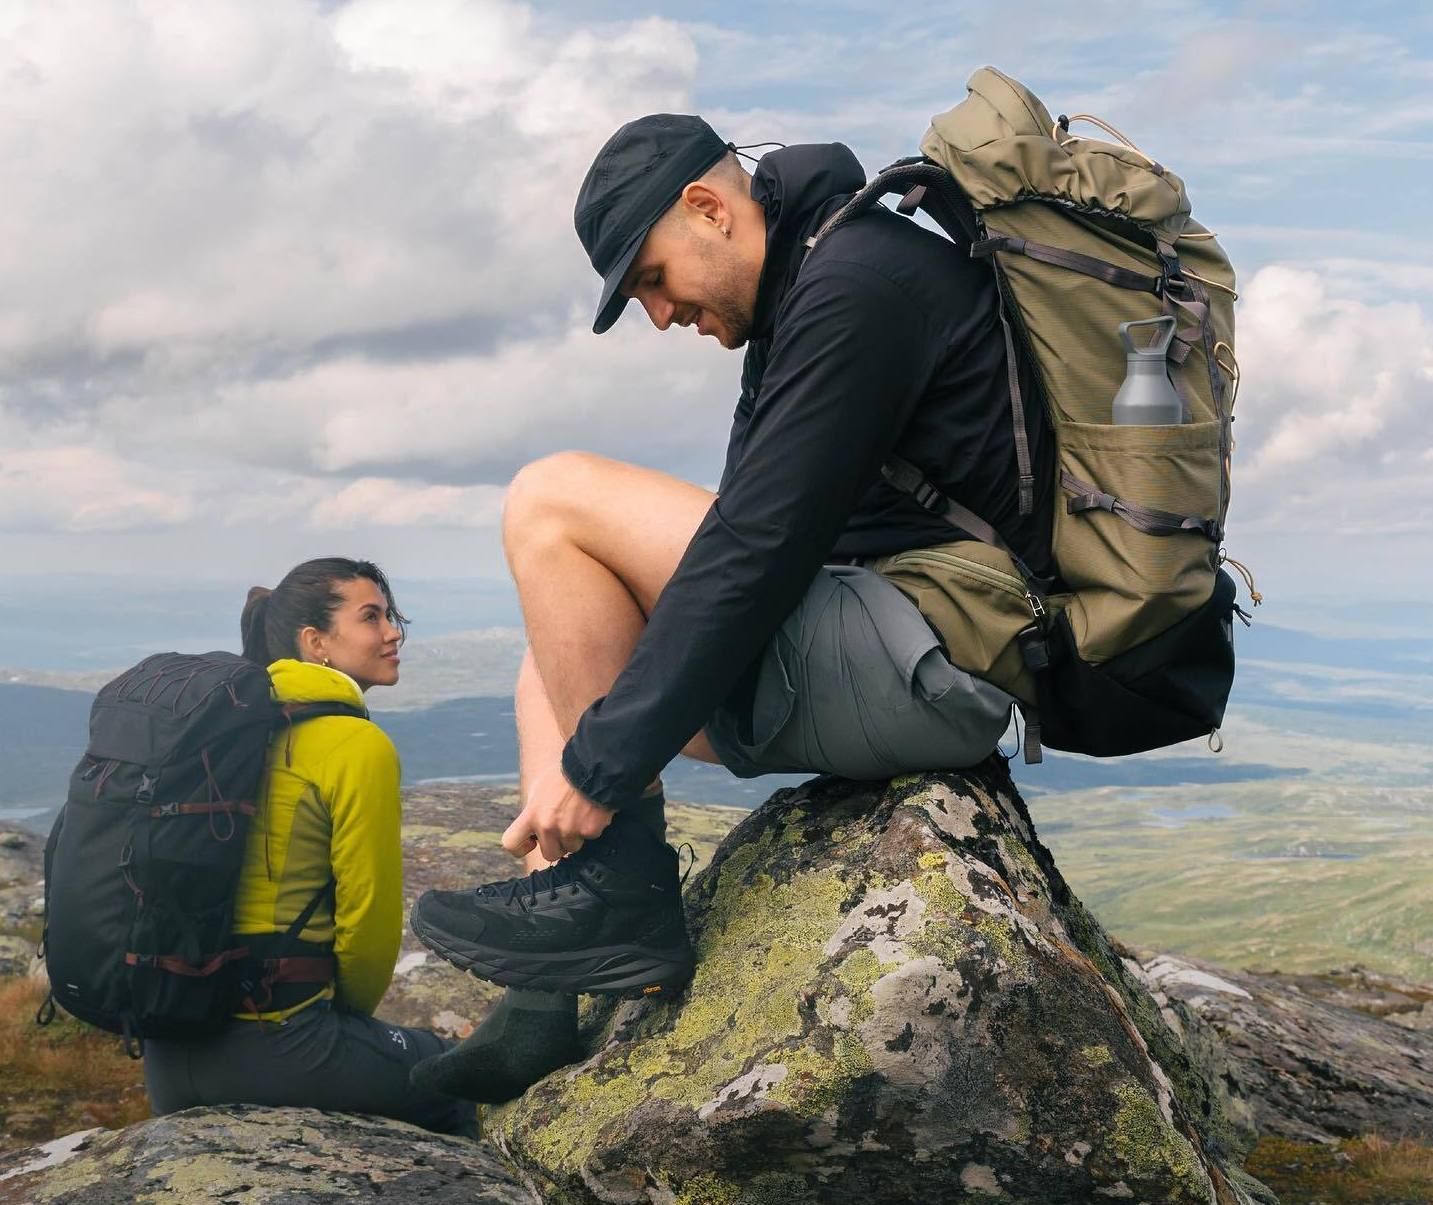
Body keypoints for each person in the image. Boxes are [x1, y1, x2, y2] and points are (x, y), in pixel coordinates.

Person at [409, 114, 1054, 1099]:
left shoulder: (856, 283)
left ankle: (618, 894)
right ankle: (546, 994)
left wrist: (599, 768)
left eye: (652, 280)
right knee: (560, 642)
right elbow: (746, 529)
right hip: (898, 636)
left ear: (708, 208)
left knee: (548, 498)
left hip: (939, 656)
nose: (660, 315)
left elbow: (755, 545)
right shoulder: (811, 279)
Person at [143, 557, 475, 1138]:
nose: (393, 633)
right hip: (282, 1045)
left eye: (390, 616)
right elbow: (367, 923)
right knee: (469, 1080)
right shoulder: (355, 744)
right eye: (371, 617)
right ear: (315, 642)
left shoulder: (225, 730)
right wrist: (349, 1027)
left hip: (168, 1055)